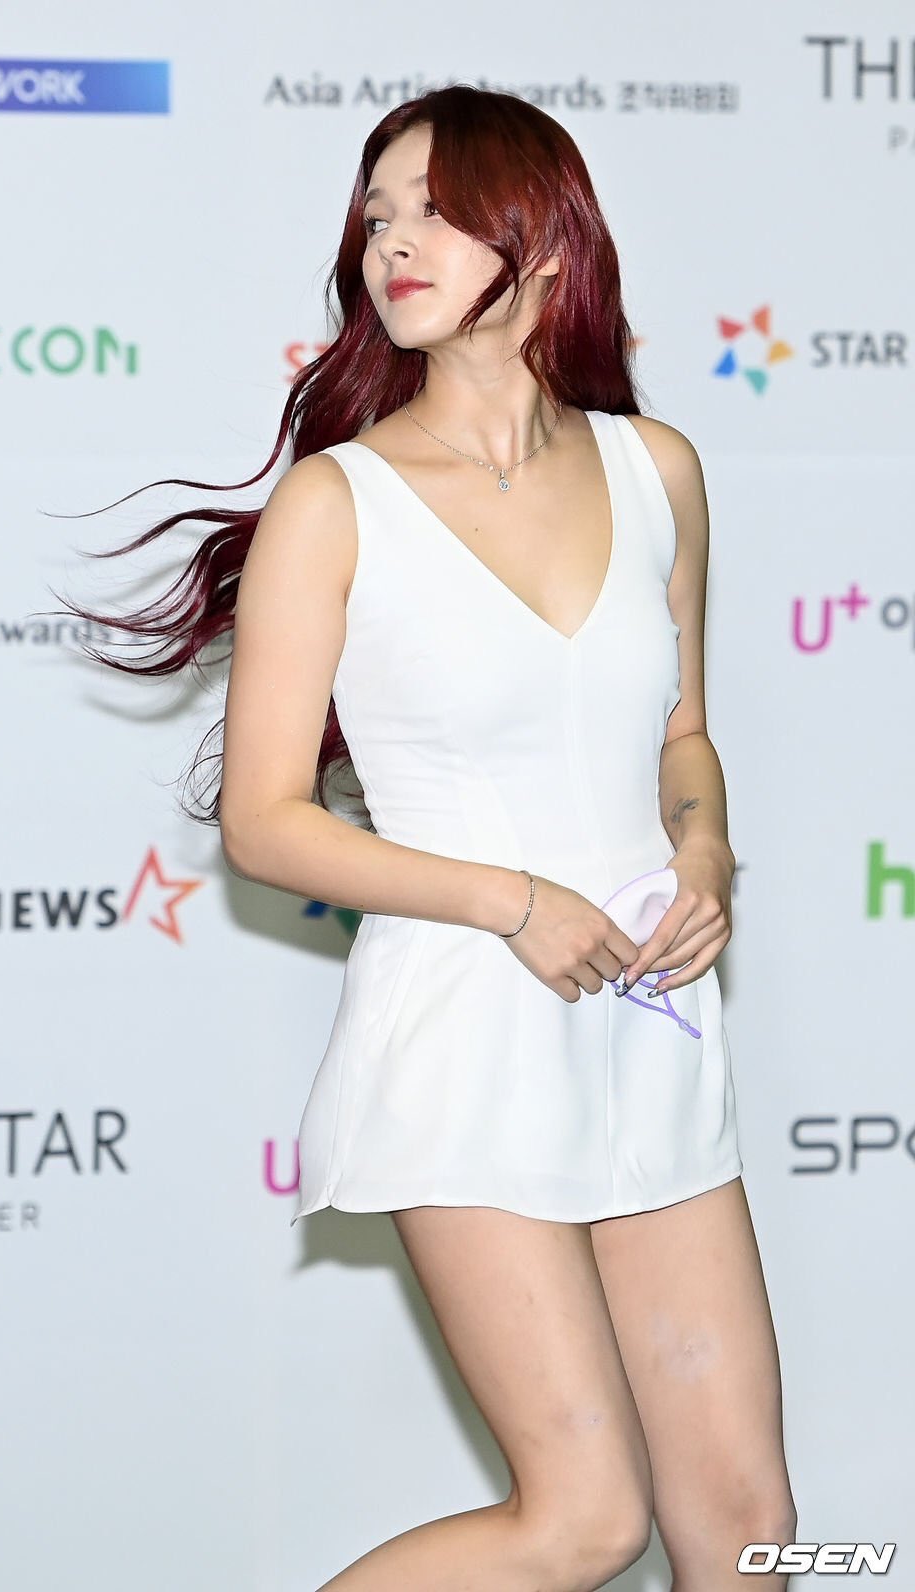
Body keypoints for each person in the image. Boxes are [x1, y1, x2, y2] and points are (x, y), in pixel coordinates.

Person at [59, 84, 797, 1592]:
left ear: (545, 241)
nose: (391, 242)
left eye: (435, 211)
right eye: (377, 216)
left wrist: (707, 854)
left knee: (755, 1535)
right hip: (467, 1021)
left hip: (653, 1015)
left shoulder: (658, 471)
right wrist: (510, 898)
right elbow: (267, 823)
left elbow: (684, 737)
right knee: (584, 1520)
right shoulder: (338, 506)